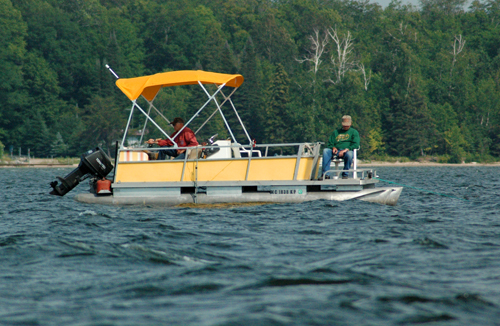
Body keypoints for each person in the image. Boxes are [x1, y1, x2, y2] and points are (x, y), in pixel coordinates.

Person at [321, 115, 360, 179]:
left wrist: (346, 150)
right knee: (326, 151)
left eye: (347, 125)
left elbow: (356, 144)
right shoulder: (336, 132)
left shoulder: (354, 132)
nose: (345, 127)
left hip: (347, 151)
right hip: (336, 151)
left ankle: (345, 174)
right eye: (344, 125)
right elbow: (330, 143)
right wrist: (333, 147)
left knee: (350, 154)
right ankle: (325, 174)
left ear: (350, 124)